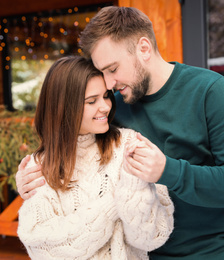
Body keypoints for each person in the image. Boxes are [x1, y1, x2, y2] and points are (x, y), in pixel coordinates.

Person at [16, 6, 224, 260]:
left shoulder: (211, 92)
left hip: (210, 254)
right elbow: (77, 156)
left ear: (143, 48)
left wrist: (168, 171)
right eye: (103, 73)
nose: (109, 85)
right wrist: (33, 184)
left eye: (112, 69)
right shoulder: (112, 109)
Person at [17, 55, 174, 260]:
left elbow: (153, 237)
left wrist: (135, 186)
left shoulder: (130, 145)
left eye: (107, 96)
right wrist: (116, 202)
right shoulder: (40, 166)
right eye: (92, 101)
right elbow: (45, 250)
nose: (106, 107)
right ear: (64, 107)